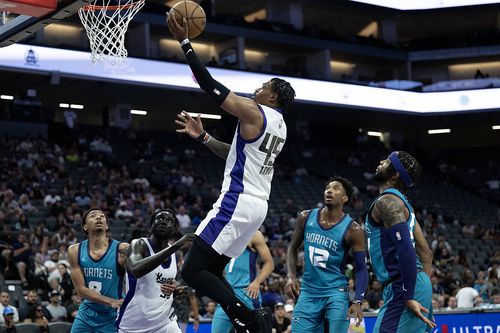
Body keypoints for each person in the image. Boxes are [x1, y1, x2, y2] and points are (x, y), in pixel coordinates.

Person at [168, 11, 295, 333]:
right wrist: (204, 137)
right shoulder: (280, 126)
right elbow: (237, 154)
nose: (257, 89)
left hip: (237, 201)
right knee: (214, 268)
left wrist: (184, 42)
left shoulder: (255, 111)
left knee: (192, 271)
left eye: (264, 86)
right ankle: (244, 322)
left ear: (274, 96)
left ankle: (251, 319)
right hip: (257, 207)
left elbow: (210, 86)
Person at [285, 176, 368, 332]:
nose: (329, 190)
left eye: (336, 188)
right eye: (328, 188)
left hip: (335, 293)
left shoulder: (353, 229)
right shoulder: (305, 217)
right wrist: (291, 276)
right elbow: (292, 248)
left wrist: (357, 301)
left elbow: (362, 269)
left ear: (345, 198)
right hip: (308, 292)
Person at [365, 151, 435, 332]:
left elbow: (406, 248)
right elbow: (425, 253)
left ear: (395, 174)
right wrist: (424, 295)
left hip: (403, 284)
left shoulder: (387, 202)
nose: (381, 161)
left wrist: (409, 294)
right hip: (417, 282)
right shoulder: (405, 205)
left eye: (387, 162)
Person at [115, 209, 195, 333]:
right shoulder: (139, 244)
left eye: (169, 221)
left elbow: (159, 284)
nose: (163, 222)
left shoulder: (176, 255)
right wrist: (175, 246)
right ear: (151, 225)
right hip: (133, 324)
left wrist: (175, 290)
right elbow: (136, 270)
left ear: (174, 230)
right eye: (160, 218)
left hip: (165, 322)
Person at [68, 208, 129, 333]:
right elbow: (80, 289)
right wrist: (110, 301)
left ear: (106, 226)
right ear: (85, 227)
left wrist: (166, 282)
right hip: (87, 313)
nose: (98, 218)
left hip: (112, 316)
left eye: (102, 216)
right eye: (93, 216)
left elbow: (142, 272)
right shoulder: (75, 251)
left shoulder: (122, 249)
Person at [211, 231, 275, 333]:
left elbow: (270, 263)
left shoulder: (254, 234)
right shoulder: (224, 233)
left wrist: (257, 282)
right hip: (226, 293)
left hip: (246, 293)